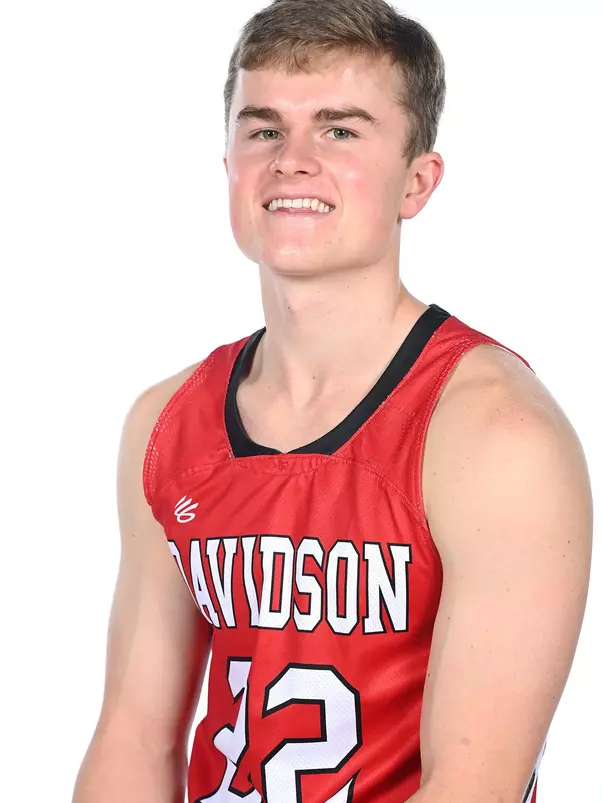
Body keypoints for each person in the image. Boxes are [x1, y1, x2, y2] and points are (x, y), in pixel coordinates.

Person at [72, 1, 593, 801]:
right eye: (263, 129)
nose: (291, 160)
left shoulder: (496, 432)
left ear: (416, 182)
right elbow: (134, 737)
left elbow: (474, 783)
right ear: (228, 164)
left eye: (339, 130)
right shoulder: (166, 419)